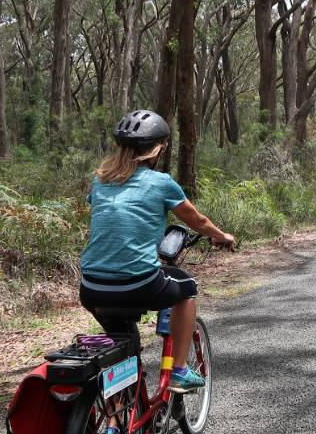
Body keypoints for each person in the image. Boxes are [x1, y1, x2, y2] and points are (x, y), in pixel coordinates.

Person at [79, 110, 235, 399]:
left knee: (122, 346)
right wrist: (222, 236)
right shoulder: (161, 182)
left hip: (91, 287)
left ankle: (116, 420)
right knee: (186, 290)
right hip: (137, 284)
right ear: (157, 150)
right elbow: (197, 221)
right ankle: (178, 372)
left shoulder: (99, 180)